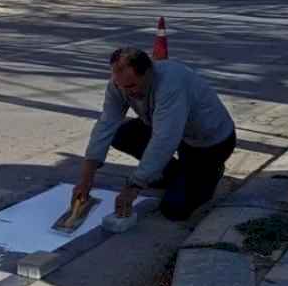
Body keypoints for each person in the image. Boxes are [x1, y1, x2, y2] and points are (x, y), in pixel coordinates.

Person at [74, 47, 237, 221]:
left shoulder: (170, 83)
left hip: (209, 144)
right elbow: (106, 125)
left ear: (149, 72)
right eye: (121, 86)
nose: (127, 92)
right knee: (122, 134)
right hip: (177, 135)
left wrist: (134, 186)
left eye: (131, 86)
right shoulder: (119, 84)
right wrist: (86, 177)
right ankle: (172, 174)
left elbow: (164, 139)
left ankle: (212, 172)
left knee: (174, 209)